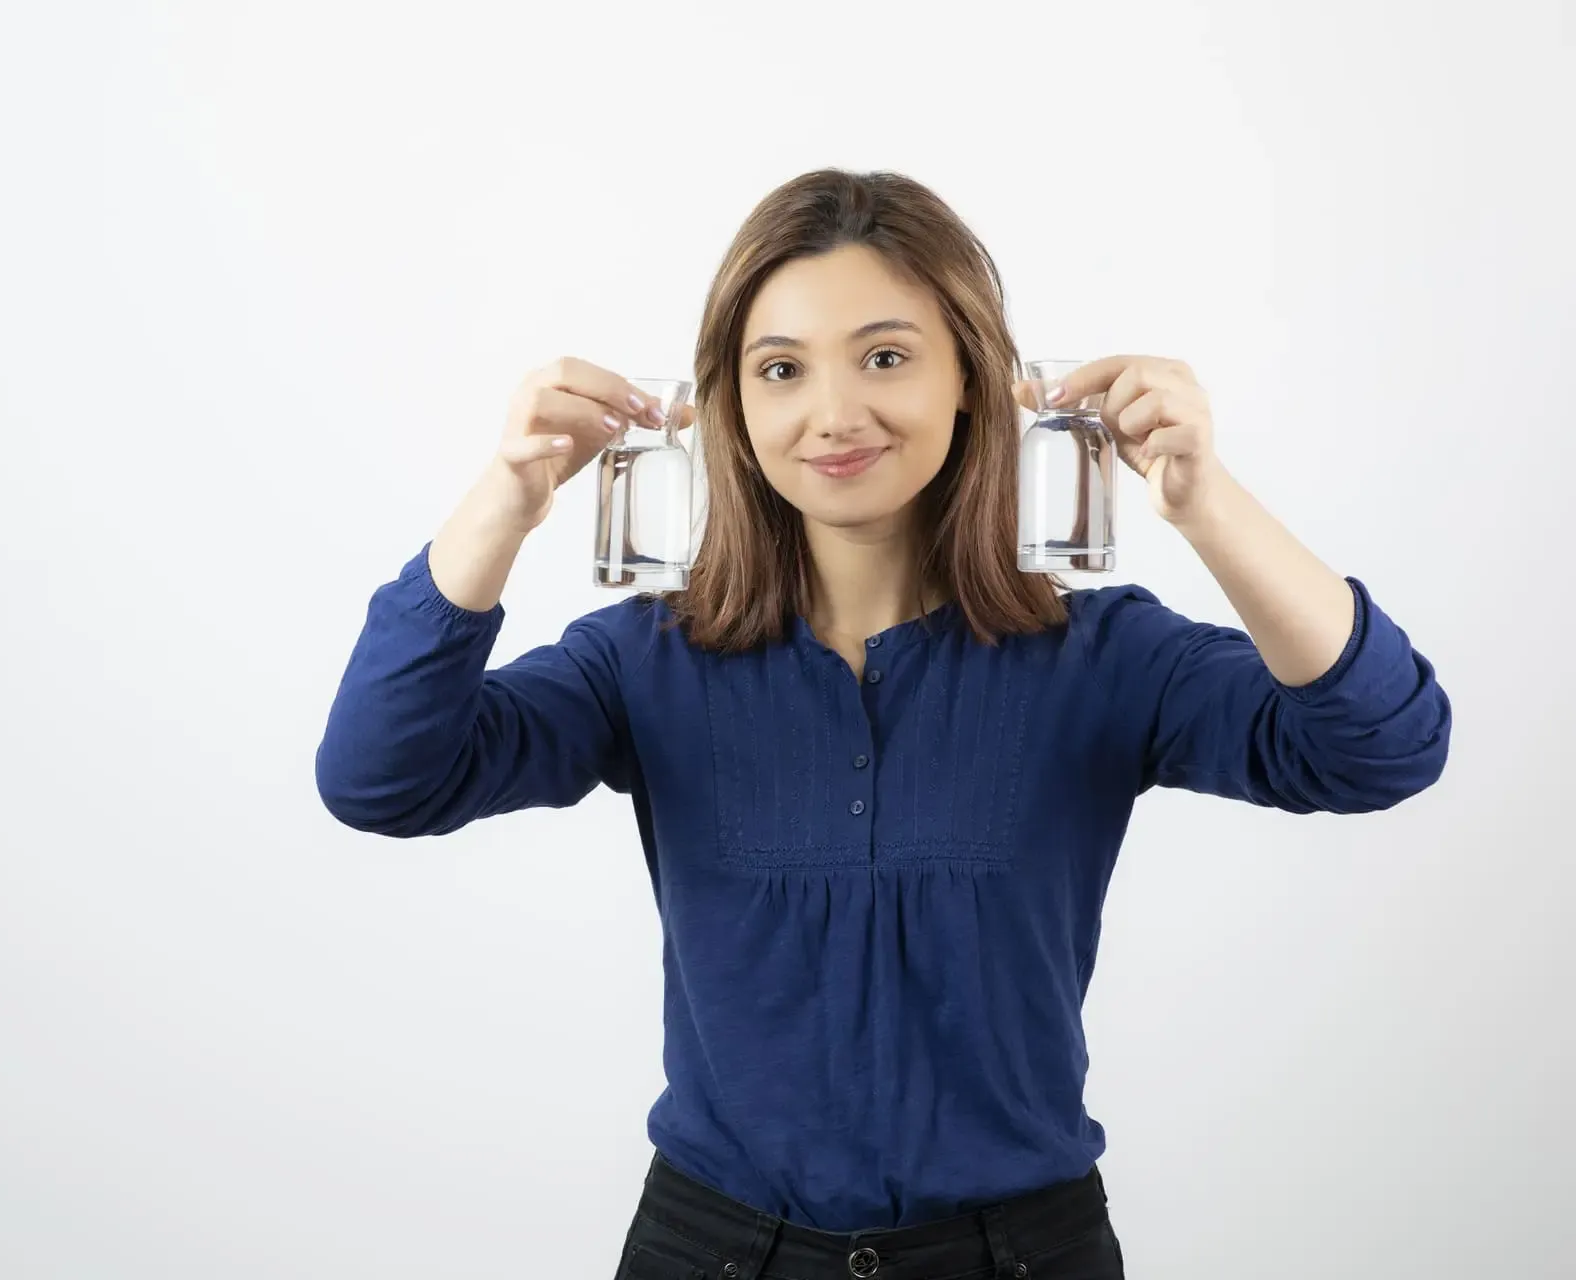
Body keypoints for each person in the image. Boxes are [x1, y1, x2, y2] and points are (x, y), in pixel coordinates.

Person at [314, 169, 1451, 1280]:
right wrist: (502, 504)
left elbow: (1381, 744)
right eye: (781, 369)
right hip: (712, 1247)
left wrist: (1208, 500)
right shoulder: (646, 658)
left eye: (887, 356)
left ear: (973, 378)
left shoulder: (1103, 657)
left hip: (1021, 1251)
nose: (833, 414)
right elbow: (381, 777)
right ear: (730, 404)